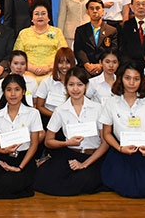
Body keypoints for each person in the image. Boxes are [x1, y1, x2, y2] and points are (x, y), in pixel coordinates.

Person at [33, 67, 109, 196]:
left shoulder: (98, 108)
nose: (75, 89)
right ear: (66, 86)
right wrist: (66, 143)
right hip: (69, 154)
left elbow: (105, 143)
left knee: (84, 179)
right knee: (41, 178)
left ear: (86, 86)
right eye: (71, 85)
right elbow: (48, 141)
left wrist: (84, 164)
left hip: (93, 157)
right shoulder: (60, 110)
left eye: (80, 85)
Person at [99, 62, 145, 199]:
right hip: (121, 151)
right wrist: (120, 148)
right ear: (121, 79)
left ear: (141, 81)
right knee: (124, 186)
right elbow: (106, 133)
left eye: (136, 79)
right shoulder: (111, 103)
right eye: (127, 78)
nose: (131, 83)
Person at [13, 0, 68, 82]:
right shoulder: (24, 33)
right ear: (32, 18)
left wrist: (49, 68)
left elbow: (63, 54)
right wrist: (31, 68)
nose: (40, 17)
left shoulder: (57, 32)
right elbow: (17, 56)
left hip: (52, 73)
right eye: (36, 14)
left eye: (43, 13)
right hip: (27, 73)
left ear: (49, 17)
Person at [73, 0, 118, 77]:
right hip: (85, 68)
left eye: (97, 8)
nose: (95, 11)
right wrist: (86, 64)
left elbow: (113, 49)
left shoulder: (112, 30)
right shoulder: (80, 30)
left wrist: (101, 65)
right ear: (87, 12)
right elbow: (79, 50)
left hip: (106, 67)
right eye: (91, 8)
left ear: (103, 11)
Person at [34, 47, 76, 126]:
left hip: (70, 120)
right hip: (49, 119)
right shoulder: (47, 82)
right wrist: (56, 116)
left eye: (67, 62)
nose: (64, 66)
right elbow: (39, 106)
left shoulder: (77, 83)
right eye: (60, 62)